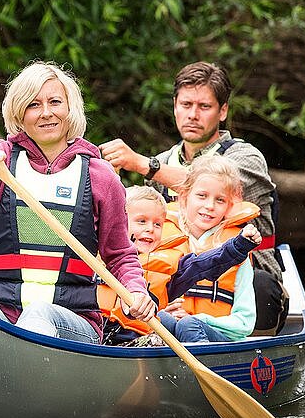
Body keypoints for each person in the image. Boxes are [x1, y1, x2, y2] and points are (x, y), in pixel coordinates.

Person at [0, 60, 155, 344]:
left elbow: (119, 255)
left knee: (40, 313)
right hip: (4, 313)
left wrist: (137, 292)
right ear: (20, 114)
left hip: (72, 321)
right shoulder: (1, 162)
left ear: (69, 109)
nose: (46, 113)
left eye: (55, 102)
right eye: (33, 105)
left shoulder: (100, 176)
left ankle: (28, 377)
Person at [100, 61, 288, 334]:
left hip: (241, 277)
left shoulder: (246, 157)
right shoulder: (164, 160)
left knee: (261, 286)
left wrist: (144, 165)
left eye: (204, 107)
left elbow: (206, 181)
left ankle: (244, 349)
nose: (193, 115)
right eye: (186, 105)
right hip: (177, 274)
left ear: (223, 111)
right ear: (175, 106)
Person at [98, 185, 262, 344]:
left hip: (136, 341)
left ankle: (199, 364)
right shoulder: (94, 254)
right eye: (141, 221)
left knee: (170, 322)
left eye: (157, 224)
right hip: (97, 333)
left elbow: (203, 264)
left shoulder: (168, 264)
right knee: (167, 318)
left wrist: (238, 246)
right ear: (119, 222)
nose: (150, 229)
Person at [160, 154, 261, 343]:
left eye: (220, 200)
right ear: (184, 197)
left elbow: (244, 324)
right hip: (169, 332)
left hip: (214, 337)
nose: (209, 206)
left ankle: (198, 367)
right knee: (162, 319)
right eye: (202, 196)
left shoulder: (237, 252)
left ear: (229, 207)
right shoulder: (159, 241)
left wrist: (197, 320)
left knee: (187, 325)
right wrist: (162, 311)